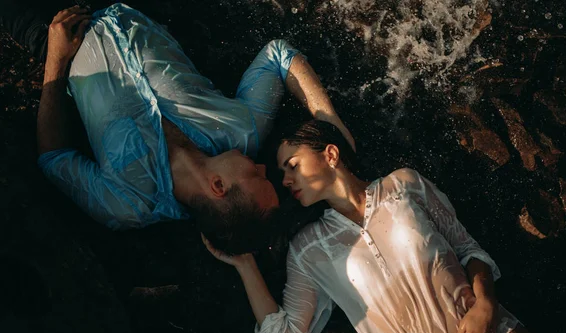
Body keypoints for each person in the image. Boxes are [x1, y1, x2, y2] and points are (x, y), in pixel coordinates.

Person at [203, 120, 566, 333]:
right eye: (283, 172)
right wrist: (245, 266)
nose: (285, 180)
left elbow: (469, 250)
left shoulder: (405, 185)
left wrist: (486, 306)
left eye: (292, 165)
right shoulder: (308, 248)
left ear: (330, 154)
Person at [1, 2, 353, 249]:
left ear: (217, 186)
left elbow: (53, 158)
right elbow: (278, 56)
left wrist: (56, 59)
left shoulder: (126, 202)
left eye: (256, 176)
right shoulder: (242, 130)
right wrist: (327, 120)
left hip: (50, 34)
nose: (261, 164)